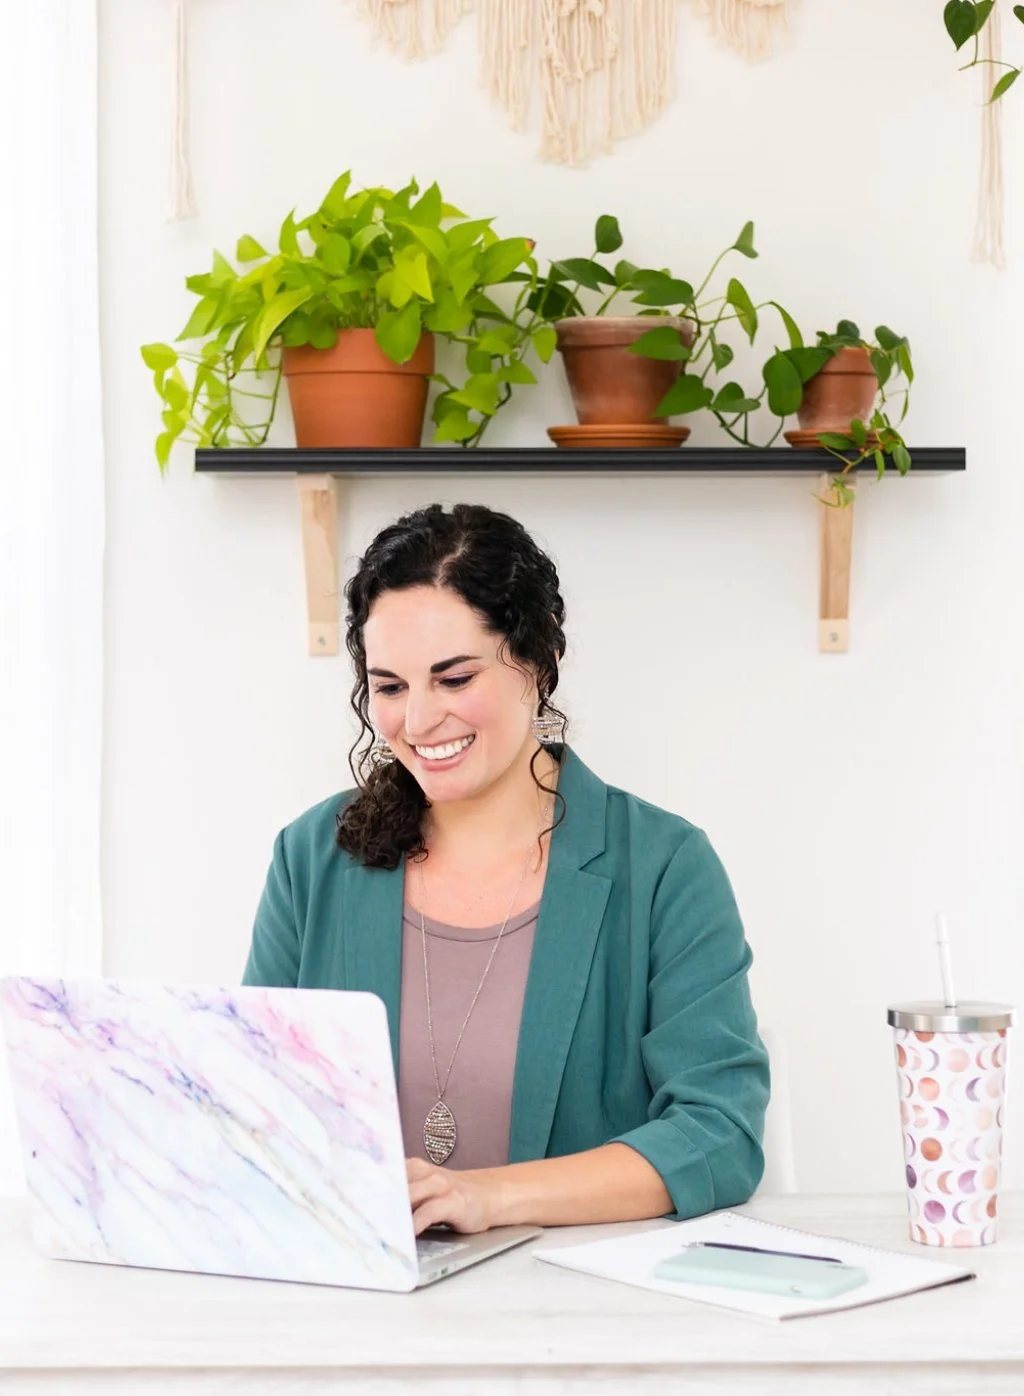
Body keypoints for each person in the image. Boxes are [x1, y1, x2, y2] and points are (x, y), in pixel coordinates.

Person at [243, 502, 769, 1235]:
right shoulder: (311, 859)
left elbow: (719, 1136)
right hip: (357, 1305)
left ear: (538, 664)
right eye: (390, 687)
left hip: (579, 1313)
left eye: (454, 679)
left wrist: (488, 1198)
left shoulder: (664, 868)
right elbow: (255, 1109)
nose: (418, 722)